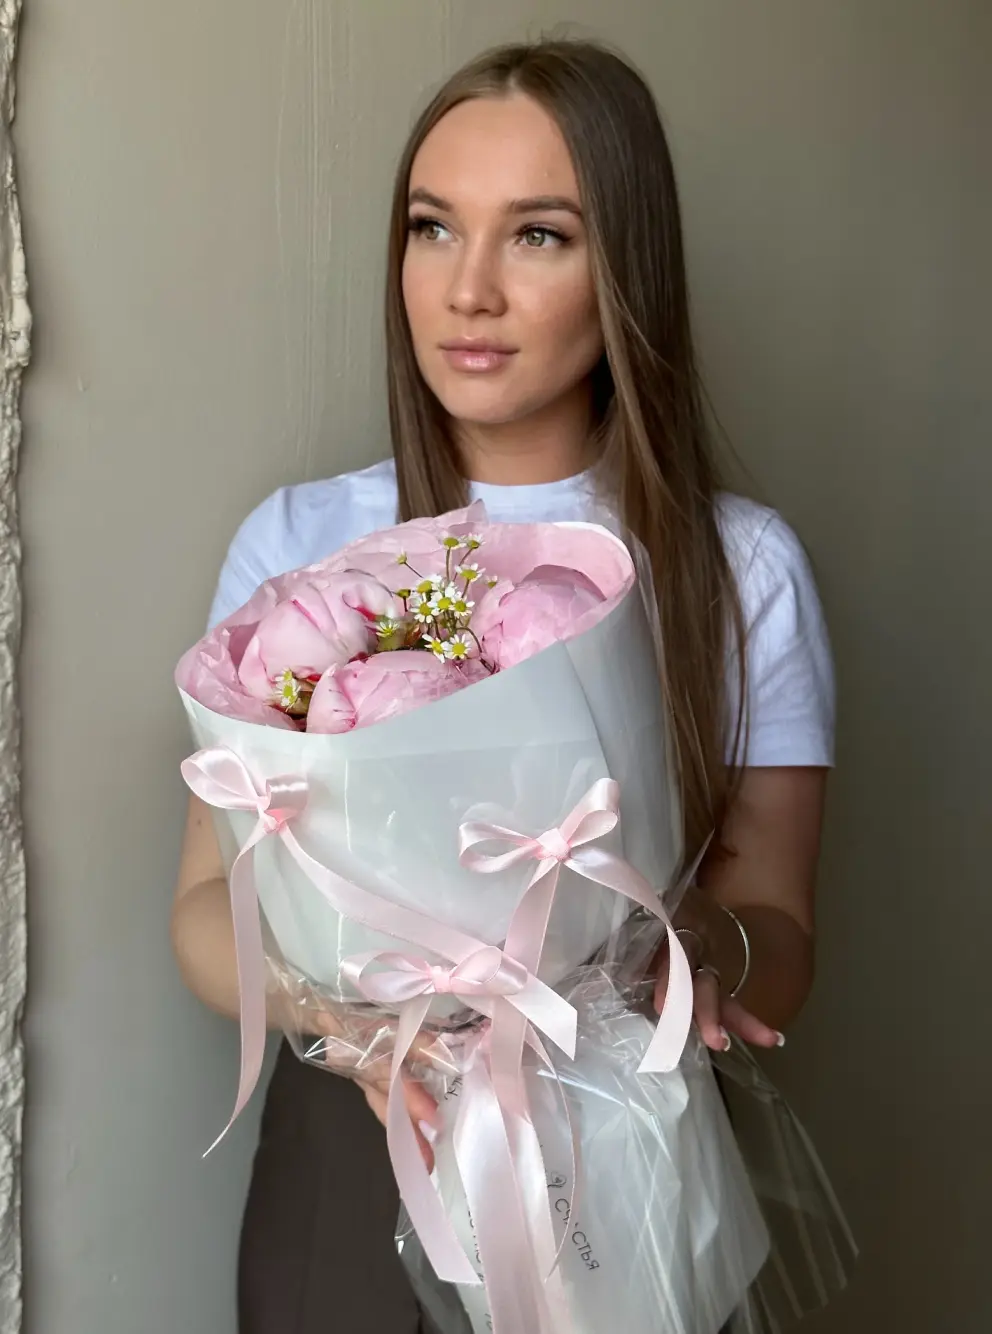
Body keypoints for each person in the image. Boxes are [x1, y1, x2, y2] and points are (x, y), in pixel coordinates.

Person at [172, 38, 834, 1334]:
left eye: (538, 235)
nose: (468, 288)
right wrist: (346, 1020)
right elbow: (205, 910)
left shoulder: (738, 567)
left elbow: (783, 932)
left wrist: (688, 955)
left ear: (625, 268)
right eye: (433, 228)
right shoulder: (303, 546)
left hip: (621, 1159)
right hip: (355, 1142)